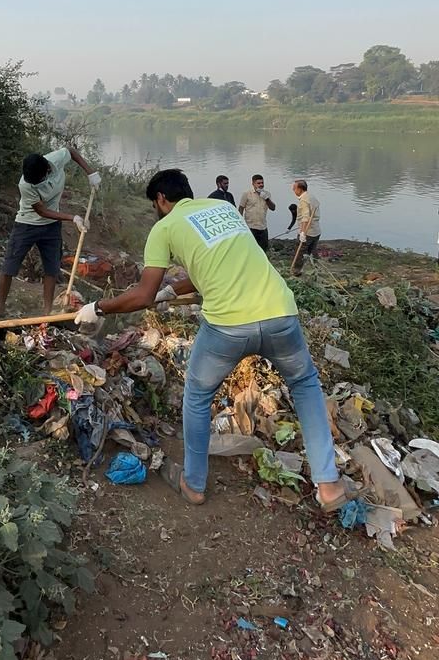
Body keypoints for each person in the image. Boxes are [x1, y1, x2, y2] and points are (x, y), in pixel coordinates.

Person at [74, 168, 349, 512]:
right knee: (306, 385)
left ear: (161, 199)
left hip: (229, 327)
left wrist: (98, 307)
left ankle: (194, 483)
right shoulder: (223, 210)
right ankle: (329, 485)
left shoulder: (165, 227)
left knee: (198, 394)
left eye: (153, 204)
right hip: (280, 313)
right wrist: (172, 290)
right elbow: (218, 263)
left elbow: (142, 295)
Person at [0, 146, 100, 315]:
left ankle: (46, 312)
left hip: (51, 227)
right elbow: (42, 211)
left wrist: (91, 174)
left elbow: (71, 151)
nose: (35, 184)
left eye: (38, 181)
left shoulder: (55, 159)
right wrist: (73, 218)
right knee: (10, 265)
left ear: (47, 170)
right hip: (26, 224)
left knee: (51, 268)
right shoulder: (25, 184)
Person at [238, 173, 275, 251]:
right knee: (250, 249)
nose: (261, 185)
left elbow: (273, 208)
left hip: (263, 227)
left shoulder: (267, 194)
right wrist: (240, 223)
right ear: (253, 184)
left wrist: (266, 198)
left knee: (263, 249)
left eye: (262, 183)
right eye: (258, 183)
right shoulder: (247, 194)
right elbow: (241, 208)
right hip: (250, 227)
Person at [292, 179, 321, 273]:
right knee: (311, 252)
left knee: (300, 252)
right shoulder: (311, 196)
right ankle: (313, 269)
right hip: (316, 230)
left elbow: (305, 217)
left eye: (294, 188)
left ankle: (296, 271)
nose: (293, 190)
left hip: (308, 231)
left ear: (300, 189)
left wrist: (303, 233)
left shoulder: (304, 200)